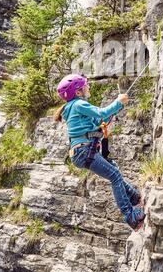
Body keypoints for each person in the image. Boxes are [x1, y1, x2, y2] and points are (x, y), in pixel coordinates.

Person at [54, 74, 146, 231]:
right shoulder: (78, 104)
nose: (88, 87)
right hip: (83, 151)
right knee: (114, 175)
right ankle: (130, 217)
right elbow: (101, 113)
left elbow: (97, 121)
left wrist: (109, 116)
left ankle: (133, 196)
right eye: (85, 85)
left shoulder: (72, 107)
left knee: (114, 172)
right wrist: (119, 102)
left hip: (81, 152)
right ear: (78, 92)